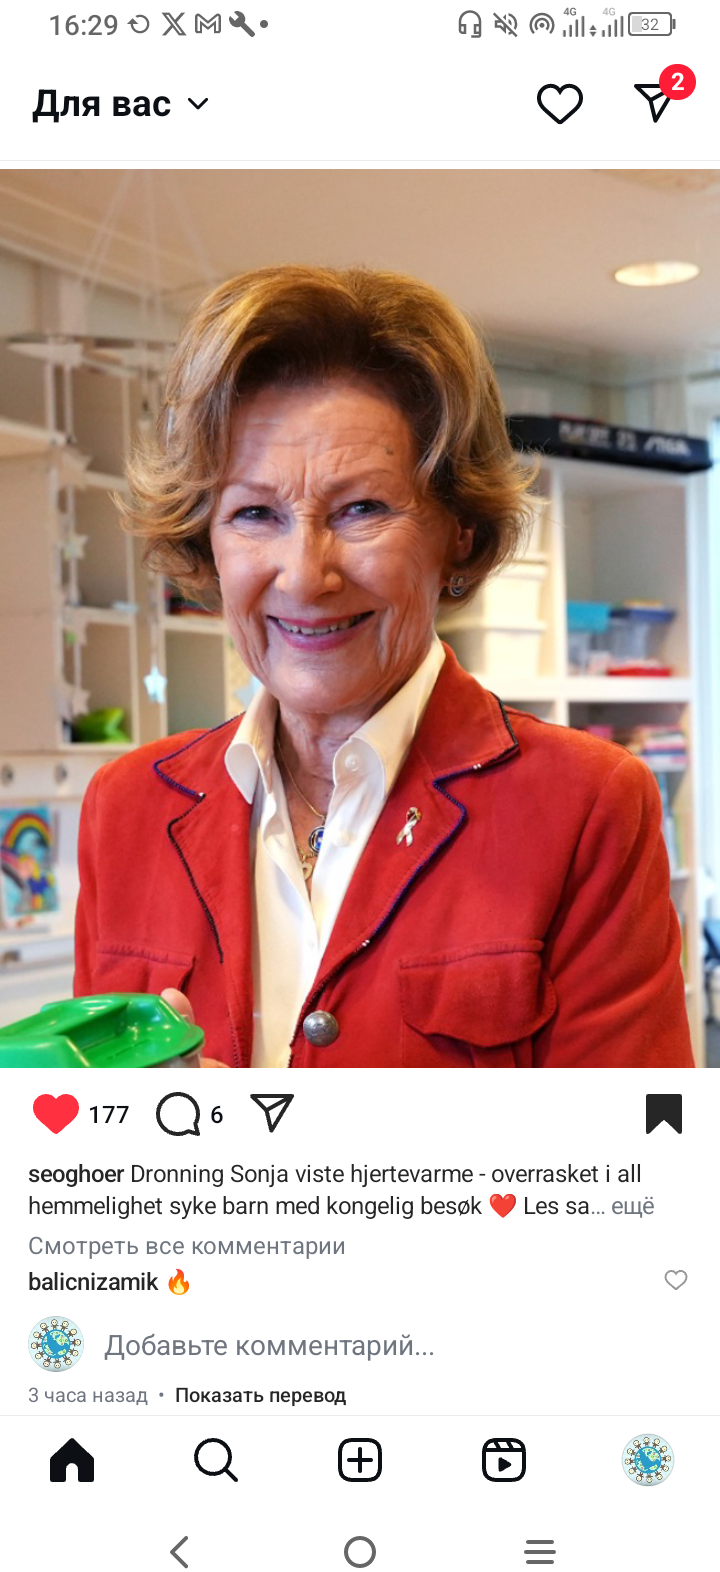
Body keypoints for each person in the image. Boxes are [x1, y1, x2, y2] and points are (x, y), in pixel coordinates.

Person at [74, 265, 693, 1068]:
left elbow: (633, 1146)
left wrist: (252, 1143)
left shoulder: (587, 807)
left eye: (362, 508)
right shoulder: (126, 809)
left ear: (458, 530)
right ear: (206, 543)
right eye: (254, 513)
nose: (305, 575)